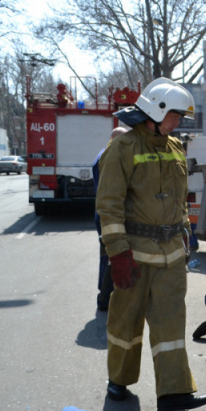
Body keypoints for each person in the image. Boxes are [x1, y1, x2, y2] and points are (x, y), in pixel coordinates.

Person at [96, 77, 206, 411]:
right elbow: (109, 205)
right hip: (134, 255)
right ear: (156, 111)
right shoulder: (123, 148)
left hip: (172, 256)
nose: (178, 123)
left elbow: (179, 200)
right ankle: (119, 379)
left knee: (171, 325)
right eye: (175, 116)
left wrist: (187, 235)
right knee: (126, 322)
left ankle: (174, 392)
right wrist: (117, 253)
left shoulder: (175, 147)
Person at [93, 126, 128, 311]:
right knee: (110, 255)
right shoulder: (108, 157)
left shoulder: (103, 154)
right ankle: (105, 298)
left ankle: (104, 293)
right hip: (109, 214)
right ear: (115, 140)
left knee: (107, 254)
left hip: (104, 213)